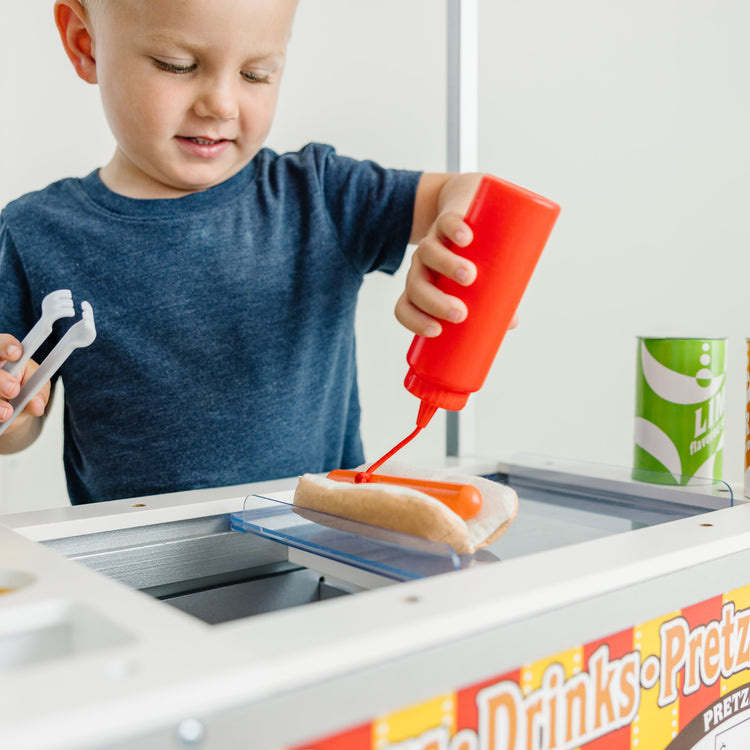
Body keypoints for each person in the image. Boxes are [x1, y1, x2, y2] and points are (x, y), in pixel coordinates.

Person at [0, 0, 492, 505]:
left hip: (321, 556)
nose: (221, 104)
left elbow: (476, 194)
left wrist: (449, 249)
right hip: (132, 573)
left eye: (256, 74)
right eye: (178, 66)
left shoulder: (318, 194)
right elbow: (17, 428)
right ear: (85, 45)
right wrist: (7, 408)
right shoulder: (35, 231)